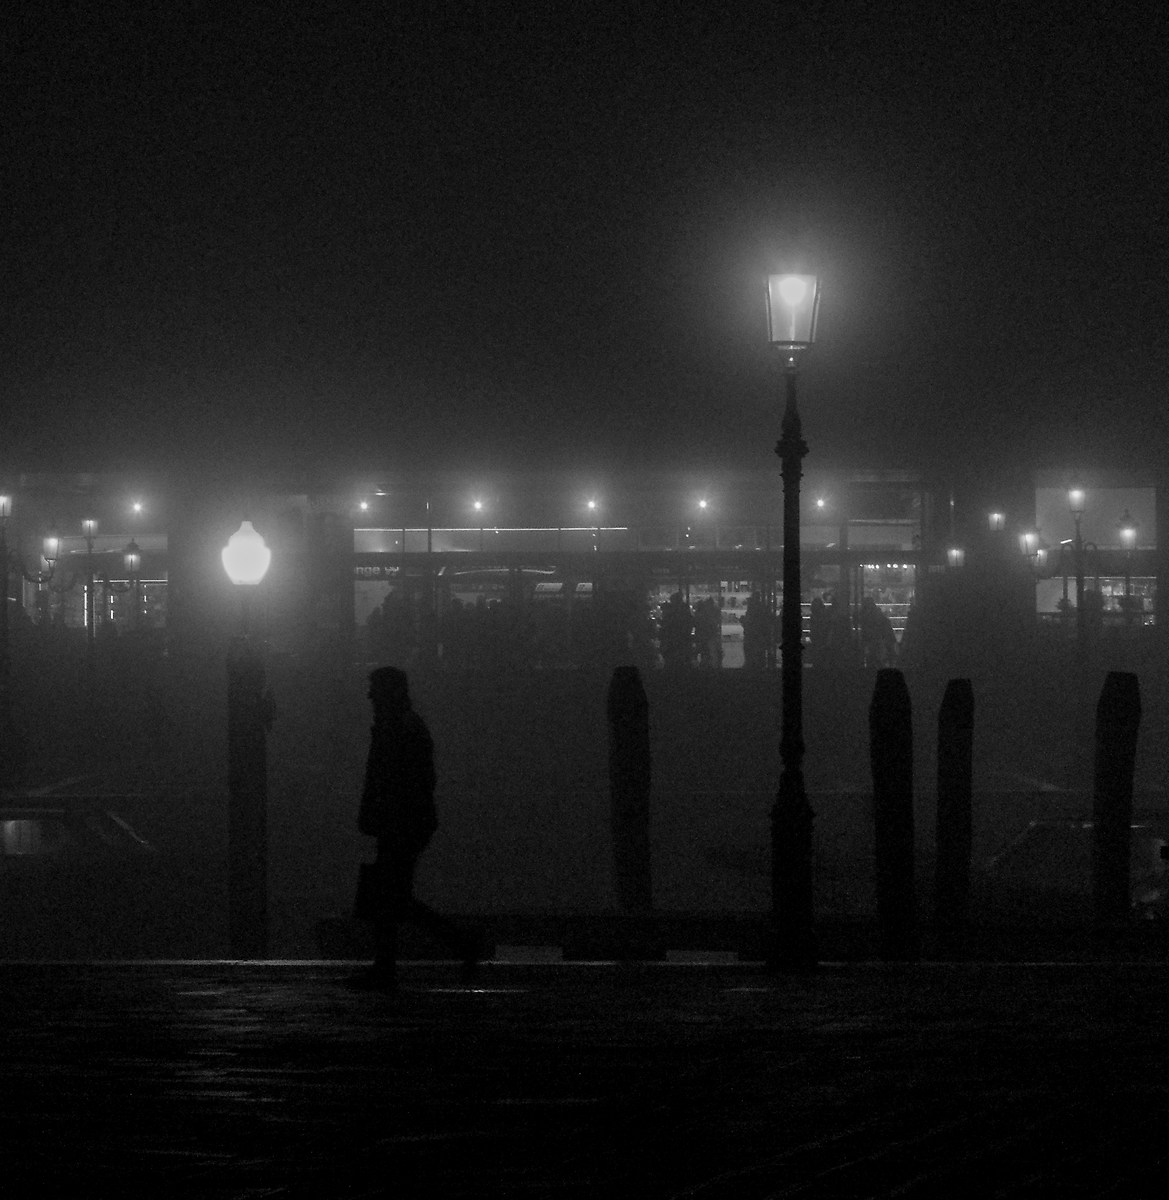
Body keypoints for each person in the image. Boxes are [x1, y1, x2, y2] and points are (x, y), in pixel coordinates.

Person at [350, 667, 483, 990]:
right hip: (406, 822)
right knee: (394, 896)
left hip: (399, 822)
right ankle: (456, 945)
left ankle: (453, 946)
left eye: (374, 690)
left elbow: (390, 778)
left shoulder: (398, 728)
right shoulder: (406, 726)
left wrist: (378, 812)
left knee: (392, 897)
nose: (369, 696)